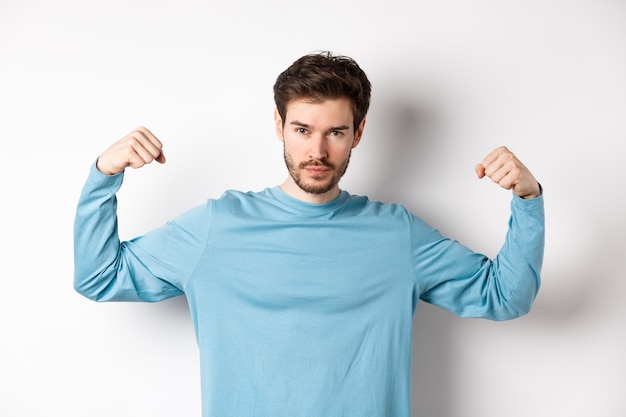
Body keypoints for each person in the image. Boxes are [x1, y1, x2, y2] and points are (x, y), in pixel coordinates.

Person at [74, 51, 544, 417]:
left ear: (358, 133)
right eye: (302, 129)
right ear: (279, 126)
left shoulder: (396, 235)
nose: (317, 150)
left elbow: (505, 296)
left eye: (335, 132)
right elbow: (98, 277)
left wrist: (527, 201)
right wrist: (103, 175)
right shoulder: (217, 228)